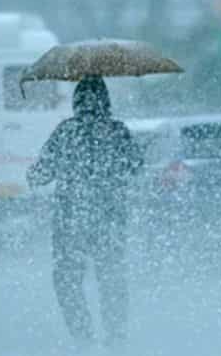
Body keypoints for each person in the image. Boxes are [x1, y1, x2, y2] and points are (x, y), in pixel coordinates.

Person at [27, 75, 143, 349]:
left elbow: (40, 174)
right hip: (110, 218)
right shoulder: (118, 131)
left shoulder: (66, 132)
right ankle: (115, 336)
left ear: (76, 102)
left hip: (70, 221)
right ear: (106, 101)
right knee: (111, 279)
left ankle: (83, 336)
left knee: (67, 281)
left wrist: (34, 173)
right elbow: (136, 166)